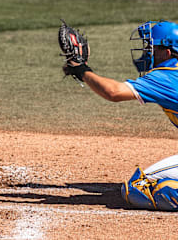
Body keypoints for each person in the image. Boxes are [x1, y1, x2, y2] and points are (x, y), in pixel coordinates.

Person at [62, 21, 178, 211]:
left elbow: (113, 92)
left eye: (152, 48)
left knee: (137, 188)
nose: (147, 52)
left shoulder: (167, 76)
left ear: (166, 53)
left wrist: (81, 69)